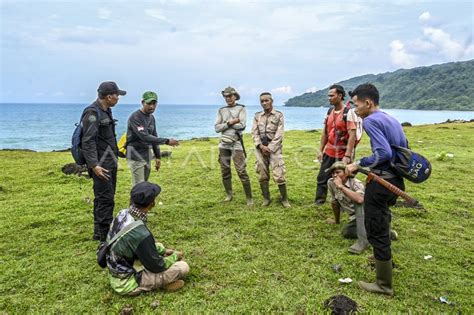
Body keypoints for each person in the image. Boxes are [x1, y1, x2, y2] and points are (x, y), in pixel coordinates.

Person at [346, 83, 407, 296]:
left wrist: (358, 163)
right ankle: (383, 260)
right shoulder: (390, 118)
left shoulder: (370, 120)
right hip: (396, 181)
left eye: (356, 105)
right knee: (383, 218)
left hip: (381, 182)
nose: (355, 110)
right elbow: (403, 149)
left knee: (376, 228)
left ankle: (384, 284)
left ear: (368, 103)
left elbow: (383, 154)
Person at [106, 182, 190, 295]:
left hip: (117, 270)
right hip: (127, 283)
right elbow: (157, 265)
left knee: (158, 246)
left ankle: (161, 280)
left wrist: (163, 251)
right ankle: (161, 284)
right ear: (152, 204)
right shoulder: (140, 233)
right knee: (183, 267)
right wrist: (175, 256)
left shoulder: (123, 213)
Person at [82, 81, 126, 241]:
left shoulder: (105, 111)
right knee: (105, 198)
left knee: (106, 197)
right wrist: (94, 165)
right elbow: (88, 141)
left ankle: (100, 231)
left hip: (110, 161)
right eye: (117, 95)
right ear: (109, 96)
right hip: (101, 164)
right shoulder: (92, 113)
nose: (118, 98)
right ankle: (103, 236)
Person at [315, 84, 357, 205]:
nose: (329, 98)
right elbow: (325, 132)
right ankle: (319, 202)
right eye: (328, 96)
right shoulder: (329, 112)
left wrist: (348, 156)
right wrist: (320, 150)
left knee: (343, 178)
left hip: (342, 153)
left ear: (340, 96)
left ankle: (346, 202)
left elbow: (352, 134)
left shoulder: (348, 113)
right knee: (322, 177)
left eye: (332, 95)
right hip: (329, 151)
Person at [126, 91, 179, 186]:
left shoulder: (151, 118)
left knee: (144, 184)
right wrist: (167, 141)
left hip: (146, 155)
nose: (152, 107)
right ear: (142, 102)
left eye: (154, 104)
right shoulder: (135, 117)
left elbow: (154, 136)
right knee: (139, 186)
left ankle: (141, 200)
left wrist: (158, 157)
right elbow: (144, 136)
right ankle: (134, 201)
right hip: (135, 155)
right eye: (149, 103)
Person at [215, 86, 253, 206]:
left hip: (237, 143)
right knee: (225, 170)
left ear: (235, 96)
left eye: (230, 96)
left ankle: (249, 197)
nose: (228, 98)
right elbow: (216, 128)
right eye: (226, 96)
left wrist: (225, 125)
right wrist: (231, 122)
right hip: (223, 144)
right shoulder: (221, 110)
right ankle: (229, 194)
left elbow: (242, 126)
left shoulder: (241, 108)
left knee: (241, 170)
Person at [251, 92, 290, 208]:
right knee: (262, 174)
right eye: (262, 101)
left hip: (275, 149)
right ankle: (266, 198)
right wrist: (260, 146)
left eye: (266, 100)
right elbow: (254, 132)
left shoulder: (279, 115)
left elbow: (279, 134)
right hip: (260, 149)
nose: (264, 103)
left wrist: (270, 148)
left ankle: (284, 199)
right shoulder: (257, 116)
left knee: (279, 174)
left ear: (271, 101)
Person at [326, 162, 368, 254]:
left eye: (338, 172)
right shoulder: (331, 182)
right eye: (333, 173)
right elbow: (335, 203)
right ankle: (377, 231)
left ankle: (383, 233)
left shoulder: (356, 183)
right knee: (347, 232)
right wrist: (336, 221)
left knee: (347, 232)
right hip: (353, 217)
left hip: (365, 215)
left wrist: (341, 186)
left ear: (346, 173)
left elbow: (360, 200)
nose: (335, 175)